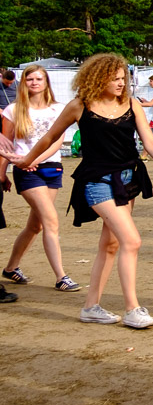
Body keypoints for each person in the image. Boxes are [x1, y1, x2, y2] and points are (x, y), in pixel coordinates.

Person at [6, 53, 153, 327]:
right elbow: (51, 136)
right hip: (97, 181)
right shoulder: (80, 105)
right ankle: (133, 309)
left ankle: (91, 307)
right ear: (98, 78)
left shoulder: (131, 103)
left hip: (128, 178)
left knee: (110, 244)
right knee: (132, 240)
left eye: (123, 78)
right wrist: (27, 160)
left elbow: (149, 141)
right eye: (114, 79)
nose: (120, 83)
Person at [0, 65, 78, 294]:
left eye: (38, 78)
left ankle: (11, 267)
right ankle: (61, 276)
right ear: (23, 83)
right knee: (51, 220)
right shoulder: (14, 110)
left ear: (46, 82)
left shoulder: (59, 109)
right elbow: (5, 144)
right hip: (26, 171)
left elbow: (57, 141)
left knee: (36, 225)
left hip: (51, 168)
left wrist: (35, 158)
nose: (34, 82)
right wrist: (2, 173)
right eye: (29, 79)